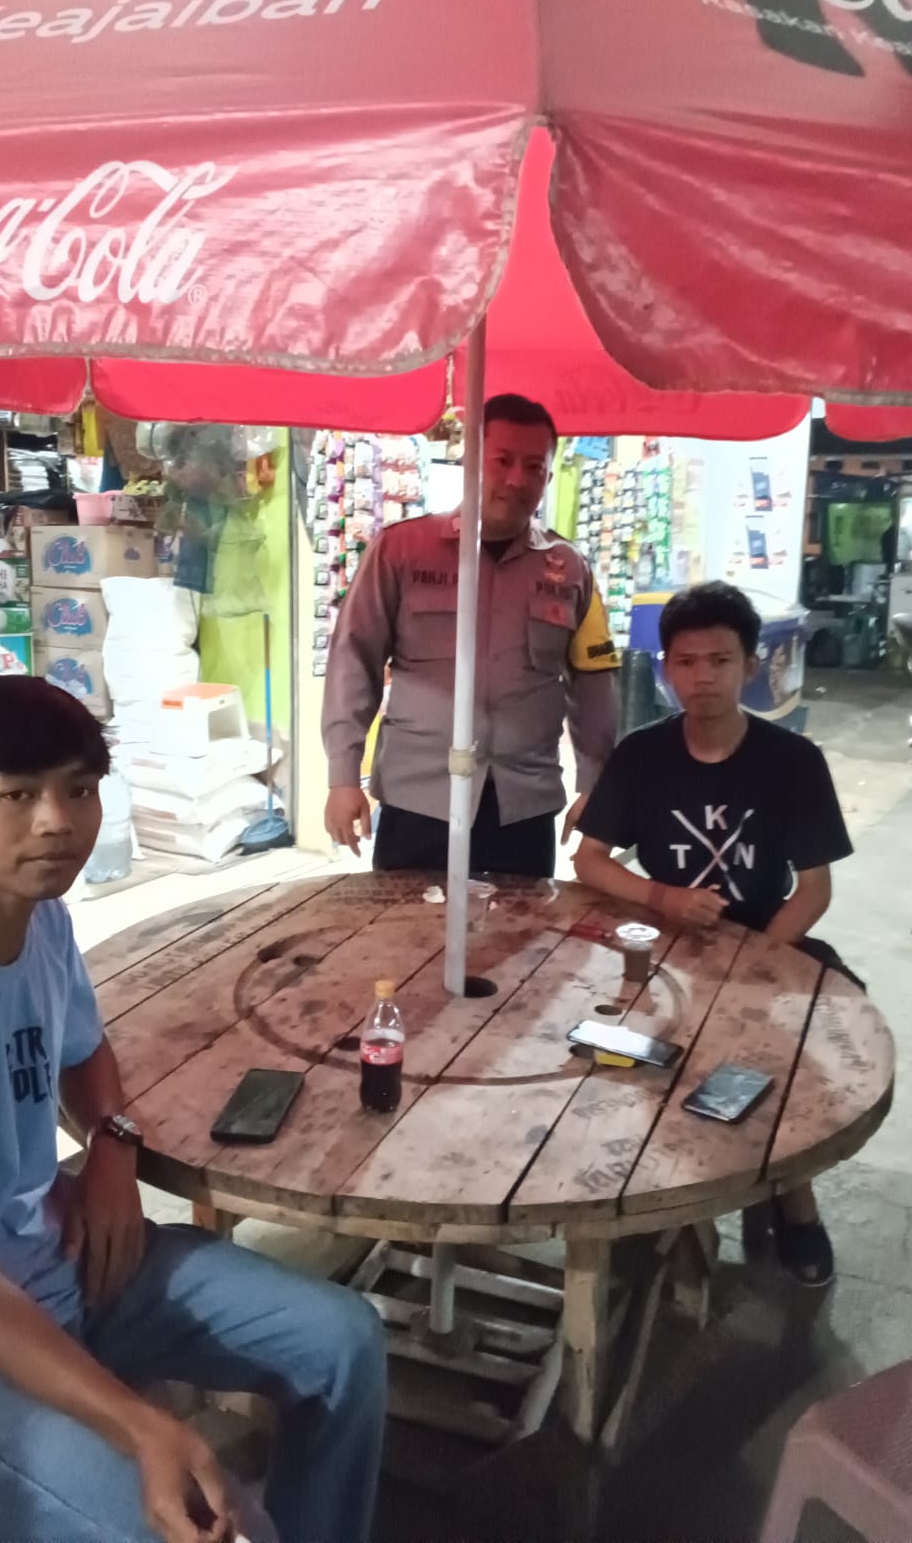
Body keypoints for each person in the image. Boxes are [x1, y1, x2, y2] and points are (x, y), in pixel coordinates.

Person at [0, 677, 385, 1543]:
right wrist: (139, 1425)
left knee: (344, 1343)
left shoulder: (42, 921)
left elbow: (83, 1051)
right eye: (17, 795)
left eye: (80, 790)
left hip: (61, 1264)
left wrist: (112, 1152)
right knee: (194, 1520)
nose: (58, 821)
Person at [573, 583, 855, 1288]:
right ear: (666, 668)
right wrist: (662, 896)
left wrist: (754, 961)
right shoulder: (641, 754)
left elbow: (813, 890)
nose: (703, 677)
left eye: (721, 661)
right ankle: (651, 1182)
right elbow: (589, 861)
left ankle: (794, 1199)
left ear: (750, 666)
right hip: (662, 941)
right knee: (614, 1053)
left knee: (786, 1060)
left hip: (767, 936)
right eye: (687, 661)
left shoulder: (793, 761)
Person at [323, 394, 620, 877]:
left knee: (521, 926)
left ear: (548, 475)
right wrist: (342, 777)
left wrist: (596, 786)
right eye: (502, 460)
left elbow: (594, 682)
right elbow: (353, 660)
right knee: (407, 923)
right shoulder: (401, 551)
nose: (517, 479)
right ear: (471, 460)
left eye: (534, 466)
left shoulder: (571, 569)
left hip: (521, 807)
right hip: (419, 798)